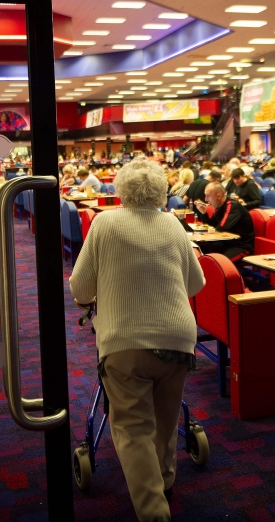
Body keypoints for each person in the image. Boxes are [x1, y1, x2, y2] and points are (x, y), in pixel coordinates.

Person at [69, 159, 206, 522]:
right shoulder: (174, 224)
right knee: (165, 420)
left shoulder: (105, 222)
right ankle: (165, 482)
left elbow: (80, 286)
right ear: (162, 191)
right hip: (178, 339)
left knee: (132, 429)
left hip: (125, 341)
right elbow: (197, 284)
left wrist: (92, 298)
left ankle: (154, 513)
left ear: (120, 190)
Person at [192, 182, 254, 260]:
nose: (205, 199)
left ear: (219, 196)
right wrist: (204, 213)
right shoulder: (219, 206)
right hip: (225, 243)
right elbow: (212, 225)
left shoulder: (231, 205)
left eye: (208, 196)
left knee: (216, 262)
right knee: (200, 251)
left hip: (241, 247)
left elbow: (221, 228)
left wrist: (208, 232)